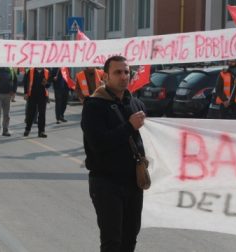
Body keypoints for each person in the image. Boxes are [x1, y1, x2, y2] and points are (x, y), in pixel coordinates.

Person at [81, 56, 146, 252]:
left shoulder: (135, 103)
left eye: (127, 72)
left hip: (133, 183)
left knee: (130, 238)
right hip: (106, 183)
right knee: (112, 242)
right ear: (106, 76)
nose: (124, 76)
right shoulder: (94, 105)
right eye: (118, 72)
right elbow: (98, 144)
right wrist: (129, 126)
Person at [23, 67, 50, 138]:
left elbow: (49, 84)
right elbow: (25, 82)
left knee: (42, 114)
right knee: (31, 113)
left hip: (43, 96)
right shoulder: (31, 71)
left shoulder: (46, 71)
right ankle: (27, 129)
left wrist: (46, 83)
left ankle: (41, 131)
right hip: (32, 96)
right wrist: (25, 93)